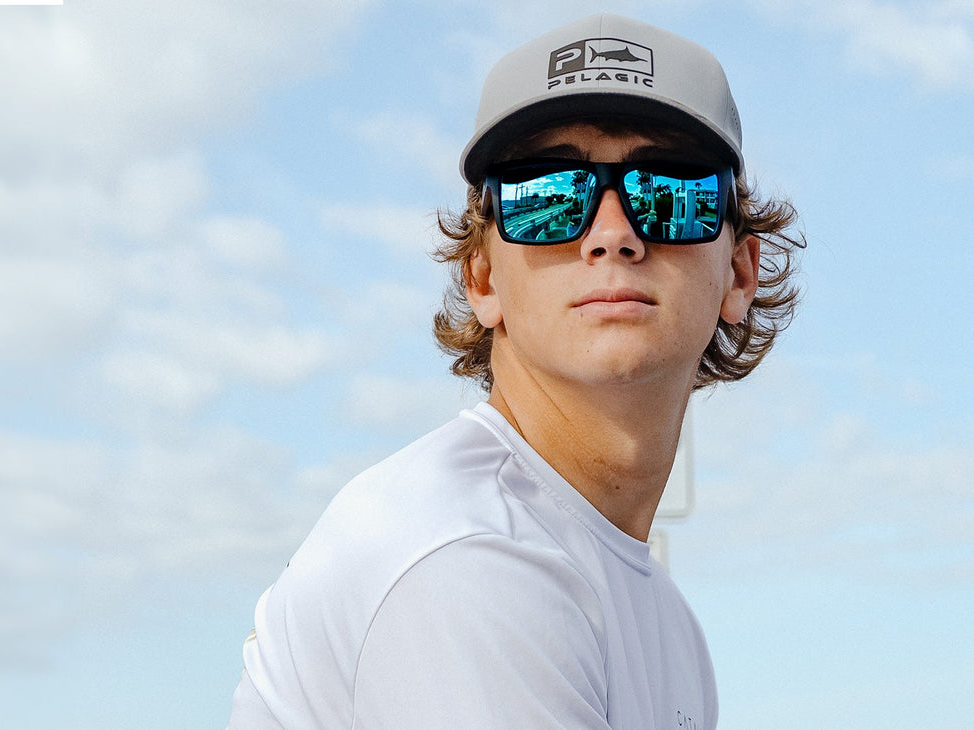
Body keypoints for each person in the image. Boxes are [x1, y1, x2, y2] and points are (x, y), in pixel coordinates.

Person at [227, 13, 803, 729]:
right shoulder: (462, 555)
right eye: (546, 196)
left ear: (739, 275)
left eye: (670, 191)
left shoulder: (662, 615)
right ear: (481, 278)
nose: (613, 234)